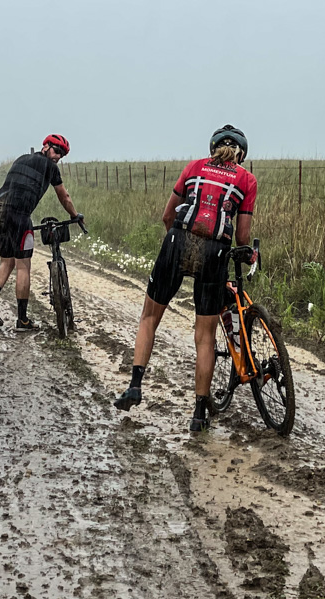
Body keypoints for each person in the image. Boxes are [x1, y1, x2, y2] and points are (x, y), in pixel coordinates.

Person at [114, 125, 257, 432]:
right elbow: (243, 236)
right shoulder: (246, 180)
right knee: (204, 336)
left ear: (212, 148)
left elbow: (168, 215)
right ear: (241, 154)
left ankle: (135, 386)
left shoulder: (194, 167)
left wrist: (174, 246)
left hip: (178, 241)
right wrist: (248, 255)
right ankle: (198, 413)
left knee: (149, 317)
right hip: (216, 251)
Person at [0, 134, 81, 331]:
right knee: (23, 266)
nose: (58, 157)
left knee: (6, 262)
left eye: (62, 155)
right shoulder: (51, 168)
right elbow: (64, 196)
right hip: (19, 214)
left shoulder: (21, 159)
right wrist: (75, 215)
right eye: (57, 151)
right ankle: (22, 320)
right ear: (46, 146)